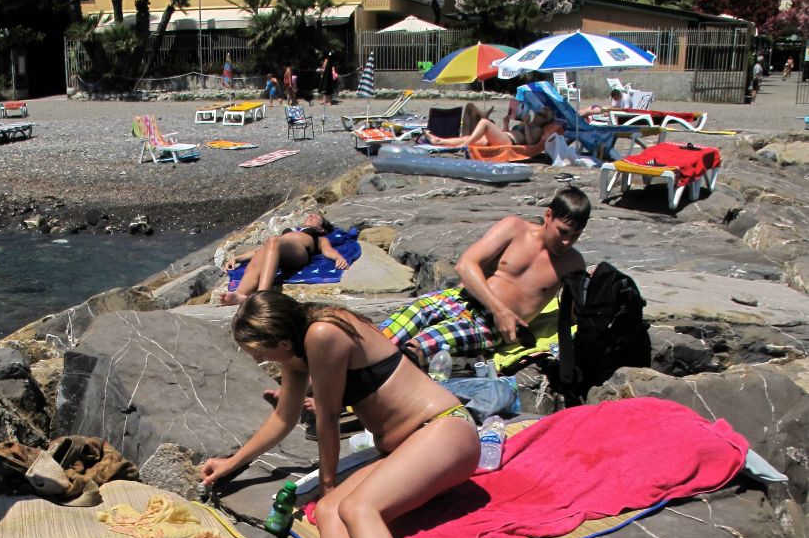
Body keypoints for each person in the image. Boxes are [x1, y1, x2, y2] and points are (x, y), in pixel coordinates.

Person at [200, 293, 479, 538]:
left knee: (358, 507)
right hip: (408, 446)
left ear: (282, 342)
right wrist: (233, 462)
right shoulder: (299, 347)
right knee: (332, 509)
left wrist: (328, 482)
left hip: (443, 430)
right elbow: (284, 418)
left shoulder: (323, 333)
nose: (257, 360)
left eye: (259, 352)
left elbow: (327, 417)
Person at [379, 187, 591, 370]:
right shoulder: (515, 228)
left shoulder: (573, 264)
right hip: (458, 299)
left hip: (489, 327)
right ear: (548, 215)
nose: (566, 242)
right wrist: (501, 310)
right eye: (562, 232)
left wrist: (592, 287)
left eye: (575, 236)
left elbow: (573, 315)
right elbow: (466, 265)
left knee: (421, 346)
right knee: (384, 337)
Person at [220, 210, 349, 305]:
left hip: (299, 252)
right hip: (277, 248)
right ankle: (239, 294)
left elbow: (328, 250)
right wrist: (237, 258)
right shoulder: (289, 232)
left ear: (321, 229)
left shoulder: (319, 238)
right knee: (262, 251)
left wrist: (338, 258)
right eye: (310, 214)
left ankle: (263, 294)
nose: (311, 215)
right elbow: (258, 250)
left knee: (273, 241)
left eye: (316, 217)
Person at [426, 102, 563, 153]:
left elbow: (530, 142)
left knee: (485, 123)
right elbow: (511, 133)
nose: (538, 114)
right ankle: (439, 141)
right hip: (505, 137)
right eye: (539, 112)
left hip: (510, 143)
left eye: (542, 114)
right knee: (469, 137)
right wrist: (505, 124)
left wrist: (527, 124)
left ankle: (464, 146)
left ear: (545, 120)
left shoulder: (537, 129)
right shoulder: (526, 123)